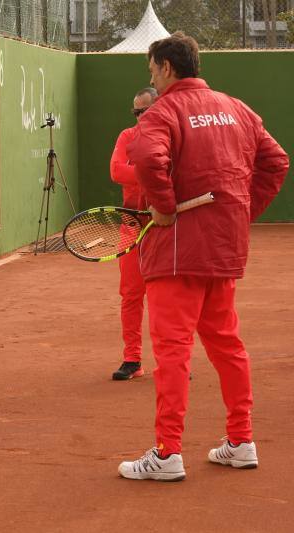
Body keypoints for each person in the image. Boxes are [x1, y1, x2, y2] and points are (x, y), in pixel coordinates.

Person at [117, 32, 288, 481]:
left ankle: (168, 453)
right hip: (223, 249)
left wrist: (167, 208)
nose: (151, 77)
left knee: (173, 352)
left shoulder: (163, 112)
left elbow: (147, 158)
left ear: (167, 68)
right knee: (227, 344)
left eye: (153, 70)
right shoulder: (237, 108)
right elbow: (277, 162)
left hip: (178, 255)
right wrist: (243, 211)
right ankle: (240, 440)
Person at [109, 87, 157, 381]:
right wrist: (155, 172)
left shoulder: (173, 136)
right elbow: (117, 171)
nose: (139, 116)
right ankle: (133, 359)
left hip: (164, 230)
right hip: (131, 227)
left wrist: (138, 169)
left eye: (144, 111)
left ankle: (173, 361)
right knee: (130, 295)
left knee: (169, 298)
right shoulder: (127, 137)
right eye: (135, 112)